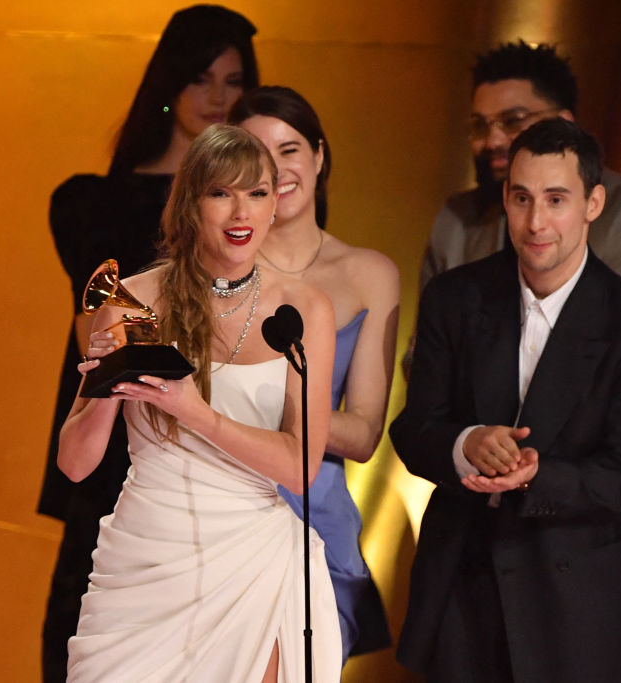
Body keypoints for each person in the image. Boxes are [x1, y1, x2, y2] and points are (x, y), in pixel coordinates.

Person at [414, 40, 621, 682]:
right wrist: (470, 441)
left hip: (612, 528)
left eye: (514, 120)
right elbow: (425, 386)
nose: (495, 138)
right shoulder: (460, 224)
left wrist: (522, 464)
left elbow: (607, 364)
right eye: (482, 124)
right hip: (479, 543)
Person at [60, 124, 342, 681]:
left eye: (256, 193)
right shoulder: (131, 301)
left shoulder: (303, 309)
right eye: (220, 193)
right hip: (146, 562)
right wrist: (107, 386)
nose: (241, 212)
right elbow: (74, 464)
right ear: (190, 203)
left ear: (275, 204)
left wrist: (196, 412)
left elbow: (300, 468)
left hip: (254, 562)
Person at [38, 6, 260, 680]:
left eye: (233, 81)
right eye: (200, 78)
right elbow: (96, 330)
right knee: (90, 636)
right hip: (120, 438)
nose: (218, 97)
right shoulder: (95, 203)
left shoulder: (254, 206)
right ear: (168, 84)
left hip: (221, 445)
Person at [229, 85, 397, 662]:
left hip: (316, 519)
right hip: (222, 509)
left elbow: (366, 434)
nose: (276, 170)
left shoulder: (368, 273)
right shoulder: (206, 272)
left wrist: (255, 403)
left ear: (319, 156)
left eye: (290, 149)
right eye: (255, 153)